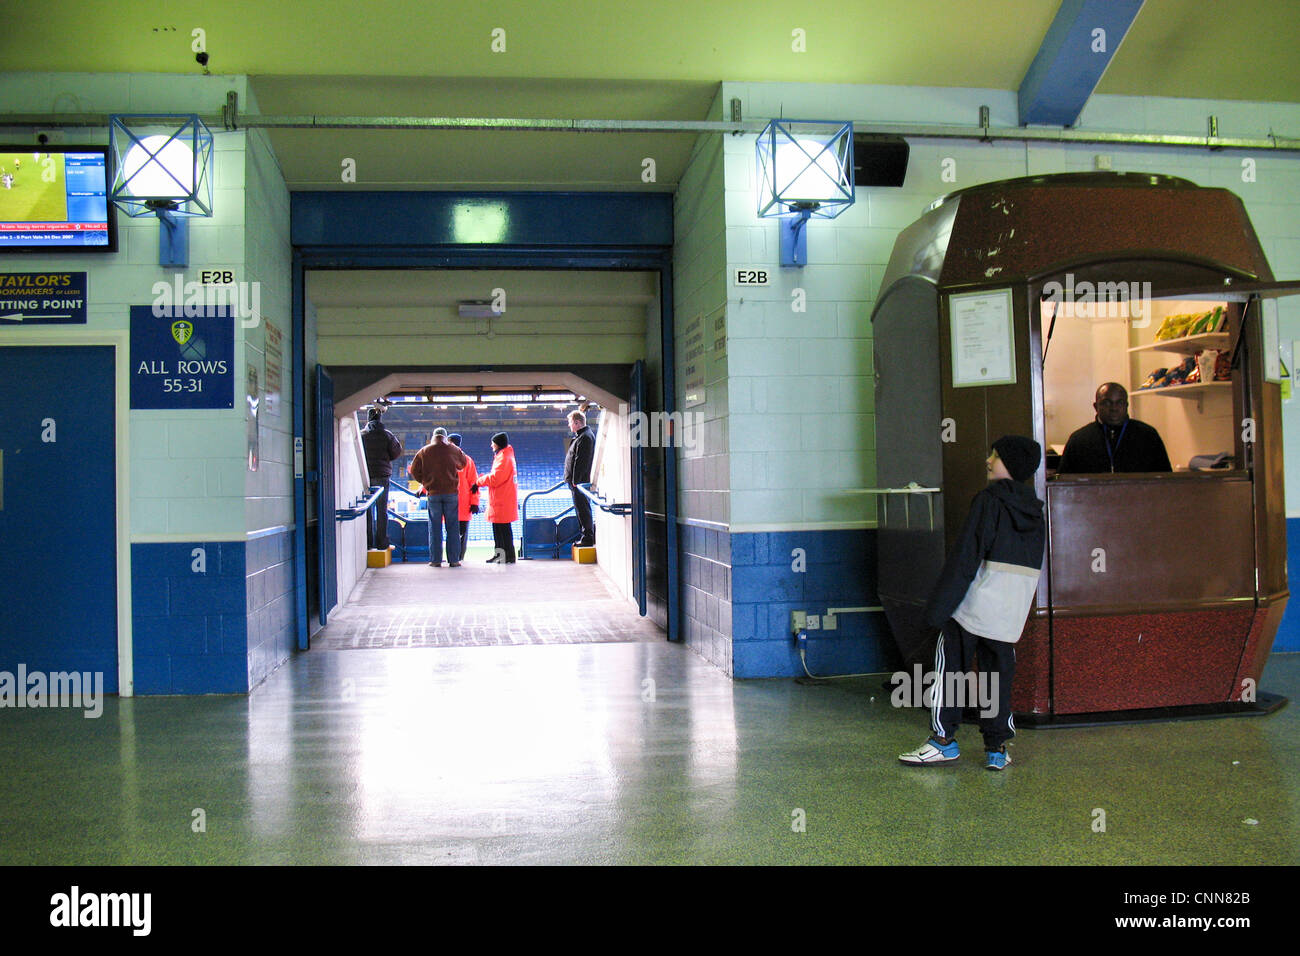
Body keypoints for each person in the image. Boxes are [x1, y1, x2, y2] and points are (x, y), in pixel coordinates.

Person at [899, 435, 1046, 772]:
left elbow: (966, 556)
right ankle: (996, 748)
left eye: (994, 455)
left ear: (1008, 463)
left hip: (972, 607)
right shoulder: (1035, 510)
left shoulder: (988, 501)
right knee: (997, 676)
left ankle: (943, 742)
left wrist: (940, 608)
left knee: (950, 670)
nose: (988, 460)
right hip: (1008, 614)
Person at [1058, 382, 1172, 473]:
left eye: (1120, 403)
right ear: (1095, 406)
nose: (1114, 408)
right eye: (1107, 403)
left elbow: (1166, 479)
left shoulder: (1148, 435)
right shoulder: (1079, 440)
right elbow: (1064, 482)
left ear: (1126, 406)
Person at [408, 427, 468, 567]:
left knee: (434, 528)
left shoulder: (424, 451)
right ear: (446, 437)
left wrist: (425, 482)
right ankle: (454, 560)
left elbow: (414, 470)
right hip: (451, 493)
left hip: (433, 493)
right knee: (453, 528)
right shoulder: (454, 449)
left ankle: (435, 560)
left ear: (434, 436)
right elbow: (463, 464)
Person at [360, 406, 403, 551]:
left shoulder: (362, 435)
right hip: (383, 476)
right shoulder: (387, 435)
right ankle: (382, 543)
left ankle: (368, 542)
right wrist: (386, 459)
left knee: (368, 510)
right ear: (380, 419)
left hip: (366, 476)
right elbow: (396, 452)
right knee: (382, 509)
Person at [476, 432, 518, 564]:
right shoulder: (507, 456)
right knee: (504, 530)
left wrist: (479, 481)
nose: (491, 446)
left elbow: (495, 478)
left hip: (501, 500)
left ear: (498, 444)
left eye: (493, 443)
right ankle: (507, 556)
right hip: (504, 498)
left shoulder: (503, 457)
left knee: (500, 531)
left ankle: (502, 556)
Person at [564, 409, 596, 547]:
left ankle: (587, 537)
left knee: (583, 509)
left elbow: (581, 461)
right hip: (577, 483)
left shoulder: (585, 437)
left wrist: (576, 481)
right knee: (581, 510)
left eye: (570, 423)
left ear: (577, 423)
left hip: (579, 483)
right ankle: (585, 536)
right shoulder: (582, 437)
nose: (569, 426)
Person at [448, 433, 480, 561]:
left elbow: (474, 483)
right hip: (453, 504)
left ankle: (458, 559)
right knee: (452, 534)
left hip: (461, 506)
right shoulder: (446, 459)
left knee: (460, 535)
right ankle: (454, 559)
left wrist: (475, 502)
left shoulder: (467, 461)